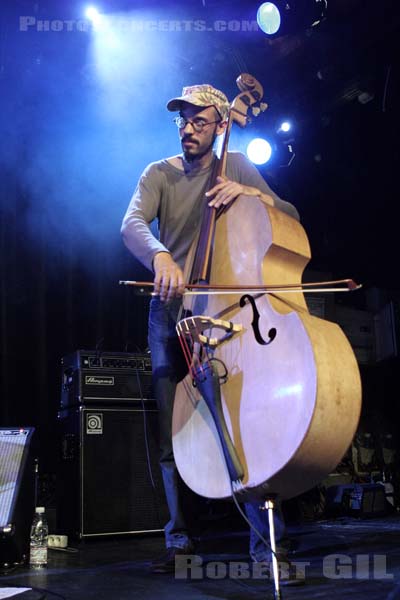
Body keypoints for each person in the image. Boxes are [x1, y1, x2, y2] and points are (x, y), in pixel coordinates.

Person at [121, 84, 300, 574]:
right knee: (171, 430)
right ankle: (179, 539)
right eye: (183, 121)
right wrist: (159, 255)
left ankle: (266, 546)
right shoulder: (159, 173)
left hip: (225, 312)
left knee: (243, 427)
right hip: (170, 311)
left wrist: (253, 193)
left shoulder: (236, 163)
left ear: (223, 124)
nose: (188, 129)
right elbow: (131, 223)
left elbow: (291, 215)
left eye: (200, 121)